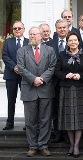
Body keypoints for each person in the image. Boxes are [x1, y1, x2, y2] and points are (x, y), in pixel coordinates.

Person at [17, 26, 57, 157]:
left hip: (45, 89)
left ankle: (43, 145)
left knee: (45, 120)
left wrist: (42, 79)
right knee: (30, 121)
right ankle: (32, 146)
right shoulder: (22, 51)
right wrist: (33, 79)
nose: (32, 36)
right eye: (30, 34)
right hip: (29, 89)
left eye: (34, 34)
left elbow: (52, 67)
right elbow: (21, 68)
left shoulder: (50, 50)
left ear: (41, 36)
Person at [55, 32, 83, 158]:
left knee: (79, 118)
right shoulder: (62, 55)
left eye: (75, 40)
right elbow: (56, 71)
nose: (73, 42)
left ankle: (76, 146)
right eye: (70, 40)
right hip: (66, 89)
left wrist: (80, 76)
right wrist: (65, 75)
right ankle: (71, 144)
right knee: (68, 119)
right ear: (67, 42)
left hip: (80, 88)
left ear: (79, 42)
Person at [46, 19, 70, 143]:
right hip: (53, 82)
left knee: (66, 109)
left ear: (68, 28)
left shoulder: (73, 42)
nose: (62, 29)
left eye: (64, 27)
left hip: (68, 82)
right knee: (55, 109)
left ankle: (66, 134)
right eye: (59, 28)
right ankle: (57, 133)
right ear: (56, 29)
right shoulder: (49, 44)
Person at [2, 21, 29, 130]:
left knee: (27, 100)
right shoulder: (8, 42)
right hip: (11, 75)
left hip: (25, 76)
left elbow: (31, 57)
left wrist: (21, 68)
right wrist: (14, 67)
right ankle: (9, 123)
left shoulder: (29, 42)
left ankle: (28, 123)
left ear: (23, 29)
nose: (17, 30)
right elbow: (5, 56)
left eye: (19, 28)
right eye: (15, 28)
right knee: (11, 99)